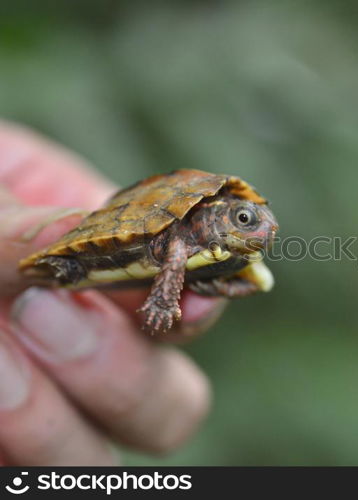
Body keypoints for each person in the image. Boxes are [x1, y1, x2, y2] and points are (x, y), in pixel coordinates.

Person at [0, 121, 217, 465]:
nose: (264, 232)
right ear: (214, 217)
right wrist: (163, 300)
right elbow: (175, 250)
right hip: (105, 248)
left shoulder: (219, 247)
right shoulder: (181, 240)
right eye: (245, 219)